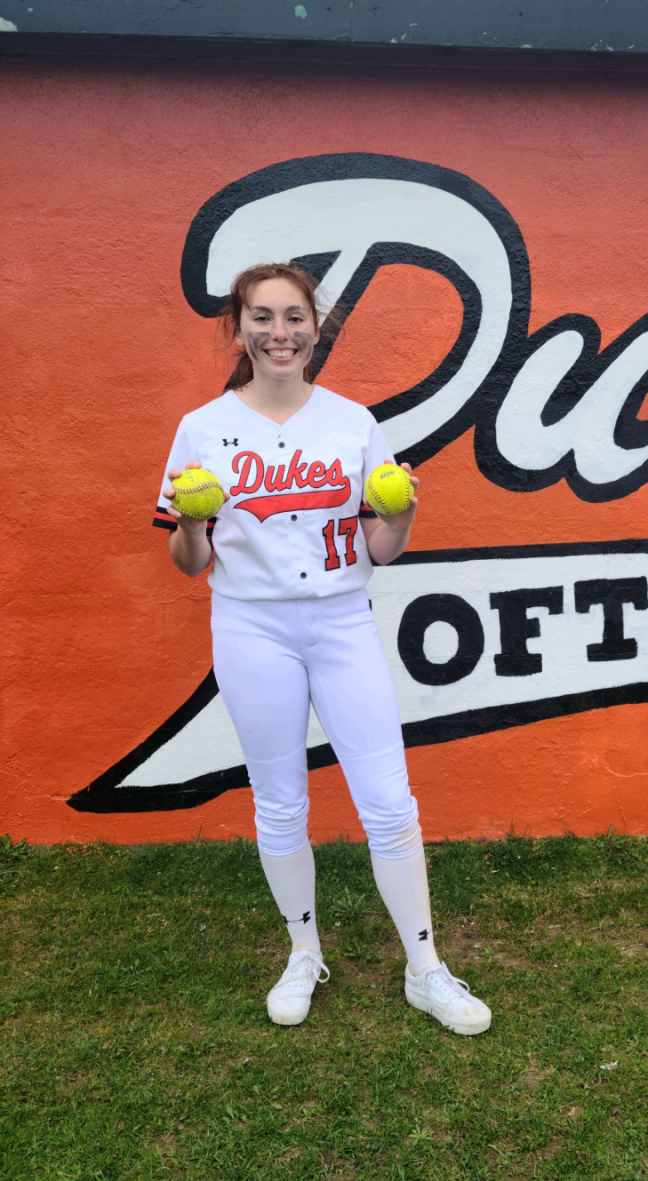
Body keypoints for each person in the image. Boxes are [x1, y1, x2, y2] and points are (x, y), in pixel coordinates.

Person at [154, 261, 491, 1035]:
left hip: (341, 622)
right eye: (262, 317)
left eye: (295, 317)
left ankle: (425, 968)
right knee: (280, 801)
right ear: (236, 328)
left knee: (389, 802)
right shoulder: (202, 429)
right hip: (251, 626)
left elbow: (381, 545)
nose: (280, 332)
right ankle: (303, 951)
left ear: (317, 326)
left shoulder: (352, 421)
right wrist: (194, 522)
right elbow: (189, 563)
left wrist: (401, 514)